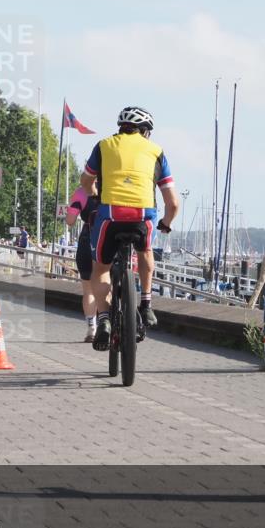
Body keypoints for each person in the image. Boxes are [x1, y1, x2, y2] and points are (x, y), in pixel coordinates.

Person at [80, 106, 180, 351]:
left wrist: (94, 194)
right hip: (142, 216)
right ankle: (146, 305)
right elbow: (173, 203)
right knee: (145, 251)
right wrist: (166, 224)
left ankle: (104, 319)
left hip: (110, 216)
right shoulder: (156, 152)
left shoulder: (104, 146)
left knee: (100, 268)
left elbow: (86, 181)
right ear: (145, 131)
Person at [66, 180, 101, 342]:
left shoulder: (81, 192)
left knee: (88, 290)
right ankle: (108, 322)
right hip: (109, 239)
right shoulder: (113, 187)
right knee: (108, 285)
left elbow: (70, 221)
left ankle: (92, 329)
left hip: (88, 239)